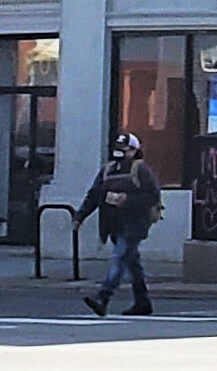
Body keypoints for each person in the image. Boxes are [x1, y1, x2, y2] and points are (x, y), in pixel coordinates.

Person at [75, 132, 162, 317]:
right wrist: (80, 216)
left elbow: (153, 195)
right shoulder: (108, 170)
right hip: (114, 224)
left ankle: (103, 297)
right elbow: (94, 195)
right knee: (132, 263)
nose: (121, 153)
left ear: (134, 151)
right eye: (118, 149)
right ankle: (142, 302)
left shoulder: (140, 170)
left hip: (135, 224)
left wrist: (127, 200)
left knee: (119, 257)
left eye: (126, 149)